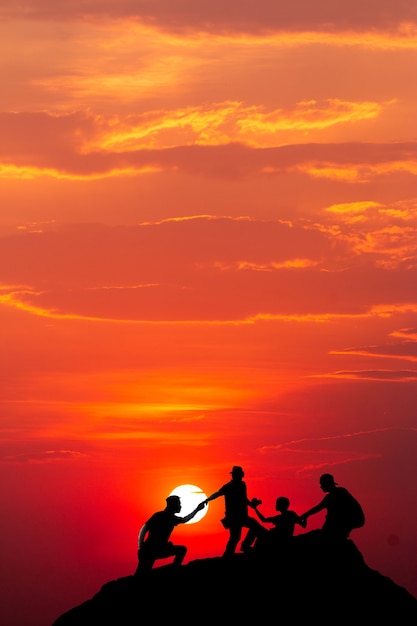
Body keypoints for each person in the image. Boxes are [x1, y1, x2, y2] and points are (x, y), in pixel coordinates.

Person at [203, 466, 265, 556]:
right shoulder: (228, 486)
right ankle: (228, 555)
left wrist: (252, 505)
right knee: (235, 537)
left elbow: (244, 499)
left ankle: (244, 546)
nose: (239, 477)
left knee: (253, 526)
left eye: (239, 475)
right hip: (233, 517)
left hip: (243, 516)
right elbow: (218, 493)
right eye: (237, 475)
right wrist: (208, 499)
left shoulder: (243, 485)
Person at [135, 494, 205, 573]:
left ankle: (175, 568)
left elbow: (185, 519)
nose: (180, 506)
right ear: (173, 505)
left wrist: (197, 509)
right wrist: (141, 547)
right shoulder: (160, 516)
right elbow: (144, 529)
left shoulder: (168, 517)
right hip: (150, 550)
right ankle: (175, 568)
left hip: (156, 549)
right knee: (142, 572)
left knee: (181, 550)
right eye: (179, 504)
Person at [299, 474, 365, 540]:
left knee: (325, 534)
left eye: (322, 484)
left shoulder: (338, 493)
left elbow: (318, 508)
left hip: (351, 520)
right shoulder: (337, 493)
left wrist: (304, 516)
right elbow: (318, 508)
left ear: (327, 484)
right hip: (350, 520)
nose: (321, 487)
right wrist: (305, 515)